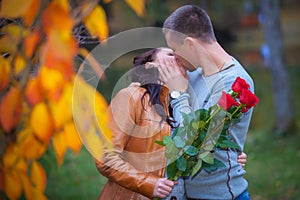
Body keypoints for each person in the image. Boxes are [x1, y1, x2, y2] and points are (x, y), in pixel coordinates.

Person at [95, 47, 248, 200]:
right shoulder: (131, 97)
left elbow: (192, 151)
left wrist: (227, 158)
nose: (178, 57)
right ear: (150, 66)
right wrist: (149, 184)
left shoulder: (183, 105)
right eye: (170, 54)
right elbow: (105, 156)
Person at [157, 5, 254, 200]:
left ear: (191, 45)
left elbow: (194, 144)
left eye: (175, 50)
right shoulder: (193, 73)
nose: (174, 57)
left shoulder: (234, 83)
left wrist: (178, 93)